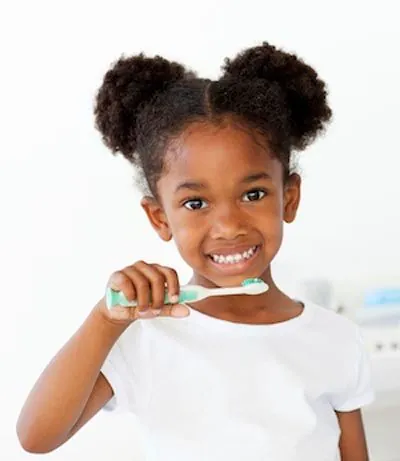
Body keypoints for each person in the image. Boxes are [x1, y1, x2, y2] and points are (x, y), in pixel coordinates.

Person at [17, 42, 374, 461]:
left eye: (253, 193)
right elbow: (37, 437)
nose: (228, 226)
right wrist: (104, 319)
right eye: (196, 203)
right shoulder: (148, 336)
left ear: (289, 198)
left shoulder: (336, 340)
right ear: (159, 218)